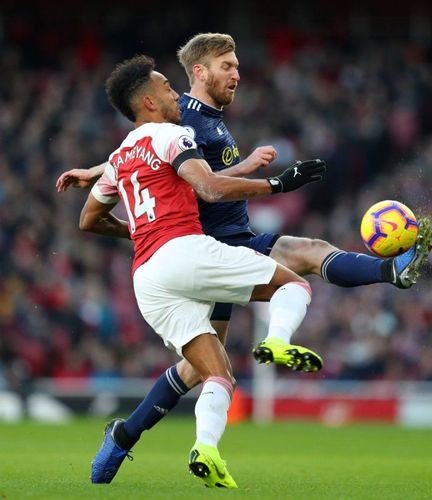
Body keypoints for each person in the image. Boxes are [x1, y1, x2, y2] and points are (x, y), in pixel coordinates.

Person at [56, 33, 432, 484]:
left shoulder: (200, 122)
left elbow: (140, 154)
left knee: (201, 369)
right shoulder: (187, 119)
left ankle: (124, 437)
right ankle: (391, 271)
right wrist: (275, 182)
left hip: (176, 259)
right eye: (226, 66)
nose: (236, 73)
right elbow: (185, 166)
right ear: (199, 71)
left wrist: (108, 179)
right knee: (309, 257)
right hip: (213, 243)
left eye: (237, 65)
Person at [79, 54, 327, 488]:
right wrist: (278, 184)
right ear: (149, 102)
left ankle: (195, 448)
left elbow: (88, 220)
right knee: (295, 285)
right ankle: (276, 341)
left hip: (148, 278)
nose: (176, 93)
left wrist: (139, 229)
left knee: (216, 374)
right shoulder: (173, 136)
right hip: (185, 251)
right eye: (167, 88)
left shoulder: (119, 156)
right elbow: (210, 188)